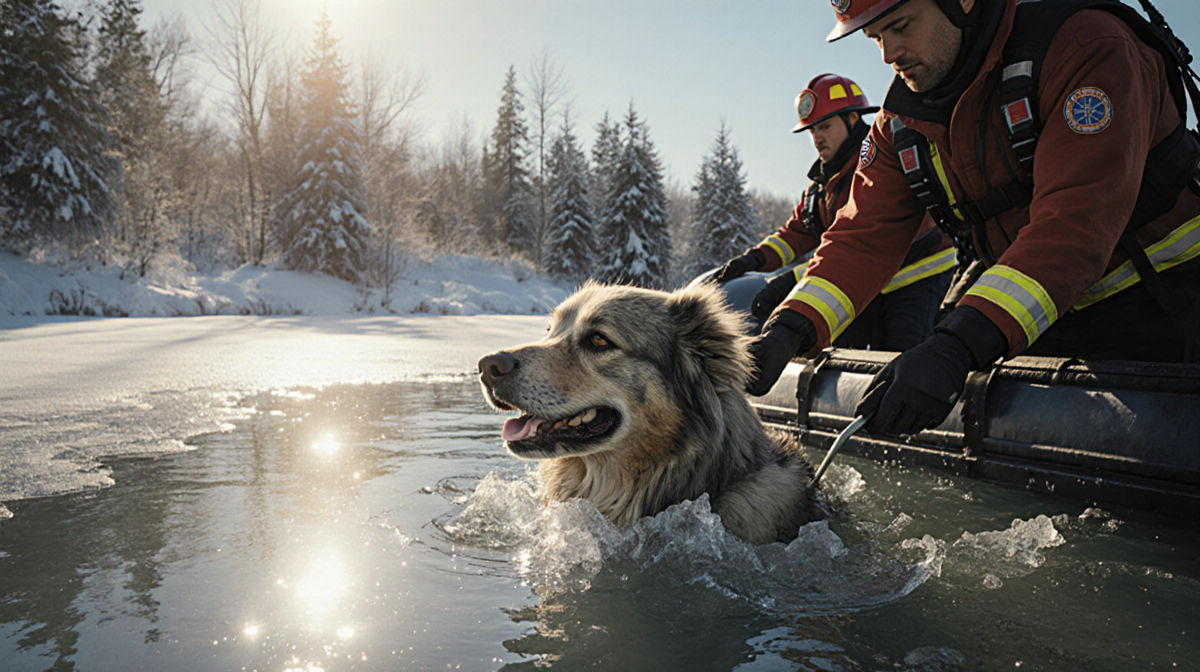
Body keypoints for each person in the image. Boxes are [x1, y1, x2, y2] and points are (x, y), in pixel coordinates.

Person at [747, 0, 1200, 439]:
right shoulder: (898, 125)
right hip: (1033, 318)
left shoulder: (1086, 47)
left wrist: (957, 346)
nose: (888, 54)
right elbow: (861, 237)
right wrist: (789, 329)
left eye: (901, 25)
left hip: (1164, 302)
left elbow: (1074, 227)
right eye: (875, 37)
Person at [715, 73, 955, 353]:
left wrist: (795, 278)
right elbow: (796, 234)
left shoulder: (882, 163)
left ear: (853, 118)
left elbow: (865, 241)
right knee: (838, 361)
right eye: (812, 131)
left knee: (900, 364)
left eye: (825, 127)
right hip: (863, 284)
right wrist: (752, 259)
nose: (817, 139)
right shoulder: (822, 185)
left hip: (915, 278)